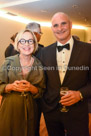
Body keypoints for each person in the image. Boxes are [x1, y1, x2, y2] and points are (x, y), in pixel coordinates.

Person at [38, 12, 91, 136]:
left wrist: (80, 94)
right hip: (51, 111)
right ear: (52, 29)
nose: (60, 28)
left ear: (71, 25)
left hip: (77, 111)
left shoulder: (88, 50)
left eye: (63, 24)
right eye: (55, 25)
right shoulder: (44, 52)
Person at [0, 29, 45, 136]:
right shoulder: (8, 62)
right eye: (23, 41)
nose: (27, 44)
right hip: (10, 108)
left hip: (31, 109)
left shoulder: (39, 65)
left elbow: (41, 91)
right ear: (17, 44)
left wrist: (31, 88)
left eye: (30, 41)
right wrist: (11, 86)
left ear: (35, 44)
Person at [26, 22, 44, 136]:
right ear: (35, 34)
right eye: (40, 33)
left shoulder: (12, 49)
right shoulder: (41, 50)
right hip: (34, 94)